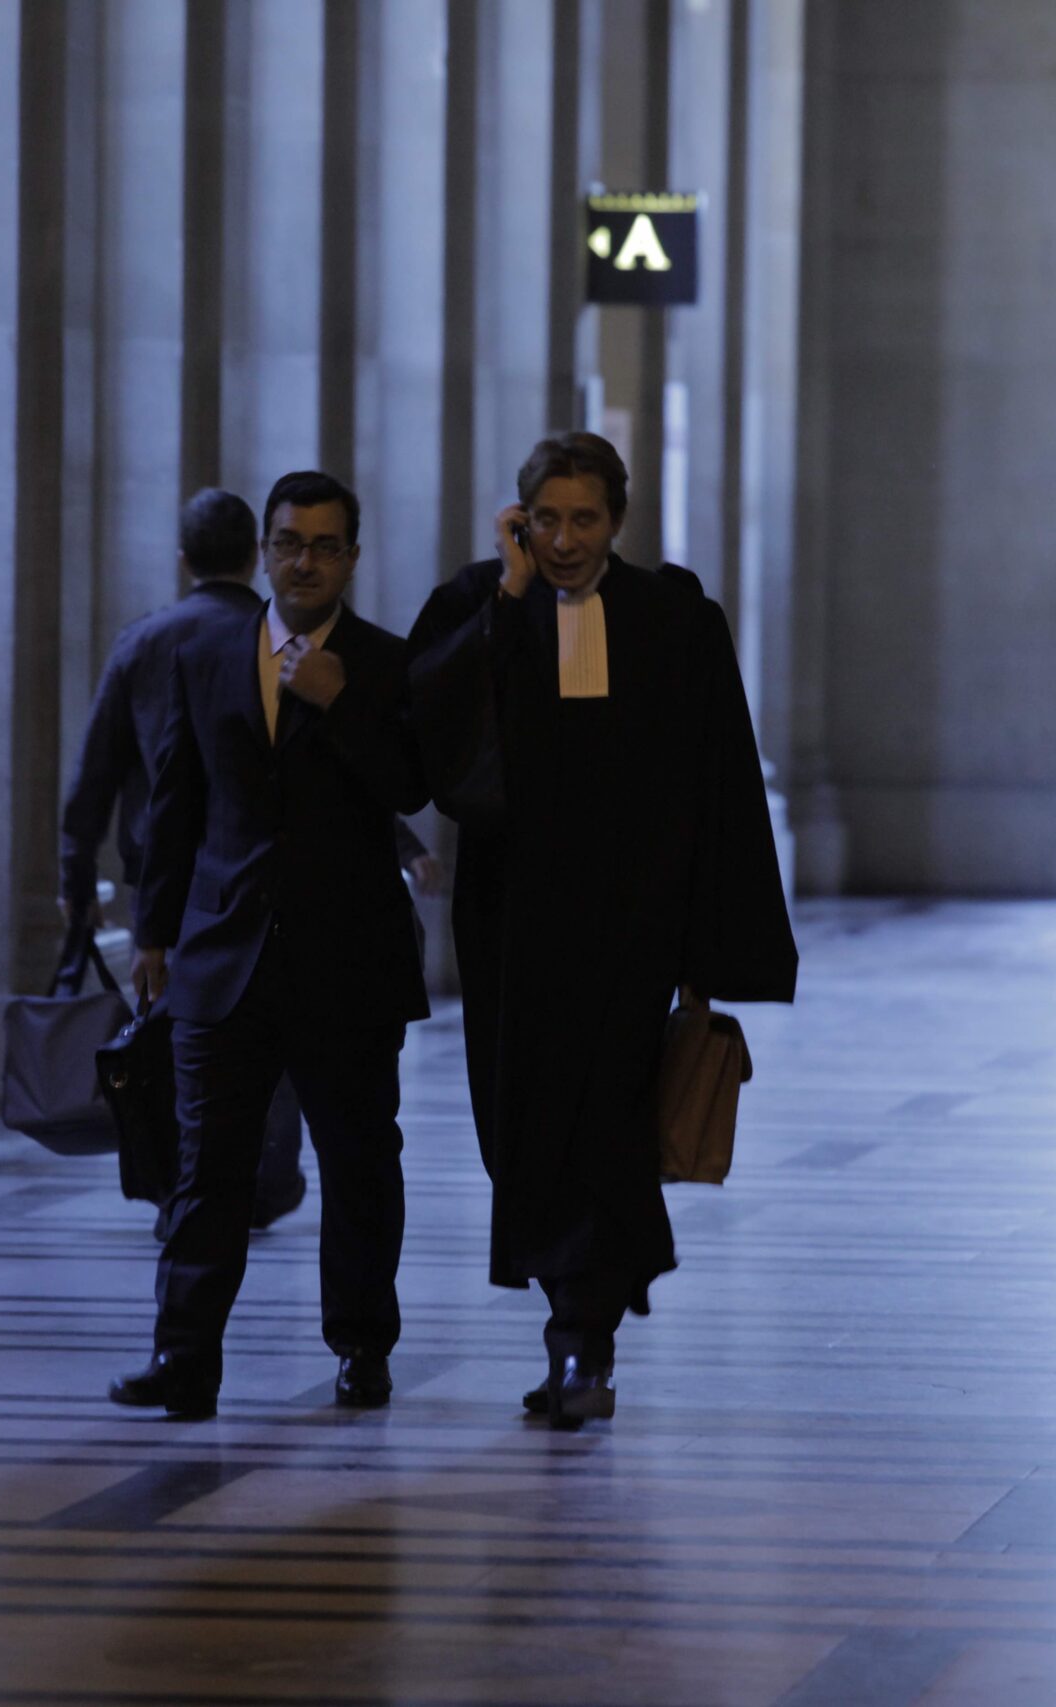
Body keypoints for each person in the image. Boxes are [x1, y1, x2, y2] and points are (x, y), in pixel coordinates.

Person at [406, 432, 796, 1429]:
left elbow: (720, 784)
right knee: (518, 1133)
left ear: (616, 521)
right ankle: (575, 1320)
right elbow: (426, 744)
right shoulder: (479, 605)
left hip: (631, 927)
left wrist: (709, 950)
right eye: (546, 519)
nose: (565, 540)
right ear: (519, 520)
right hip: (510, 926)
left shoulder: (671, 620)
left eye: (584, 520)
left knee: (607, 1132)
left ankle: (581, 1341)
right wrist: (507, 599)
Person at [109, 471, 430, 1420]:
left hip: (348, 961)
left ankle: (362, 1347)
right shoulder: (206, 653)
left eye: (325, 546)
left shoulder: (385, 662)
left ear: (352, 558)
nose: (305, 562)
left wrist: (342, 703)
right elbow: (175, 800)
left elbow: (412, 786)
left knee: (359, 1164)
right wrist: (153, 930)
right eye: (289, 543)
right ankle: (183, 1358)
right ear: (263, 552)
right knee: (206, 1166)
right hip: (224, 954)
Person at [56, 489, 307, 1235]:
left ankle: (182, 1186)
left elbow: (96, 772)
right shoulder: (282, 641)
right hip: (261, 874)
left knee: (174, 1037)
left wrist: (77, 876)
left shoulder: (142, 641)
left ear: (183, 559)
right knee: (273, 1029)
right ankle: (266, 1175)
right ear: (256, 555)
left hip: (166, 883)